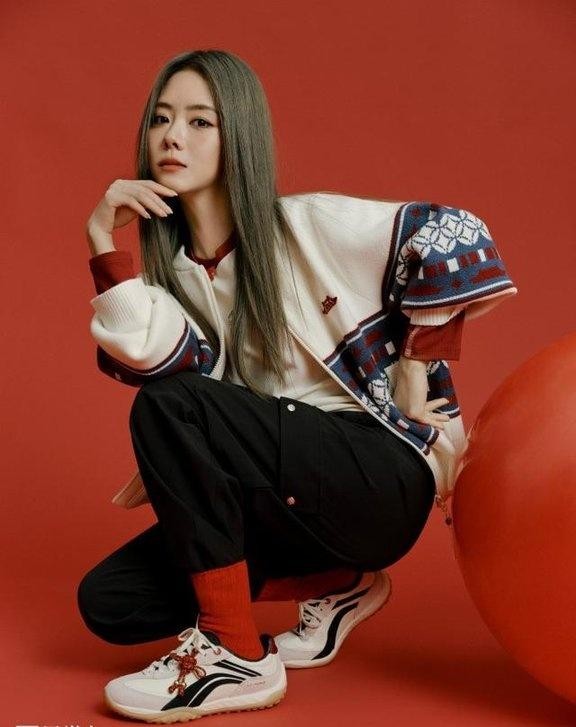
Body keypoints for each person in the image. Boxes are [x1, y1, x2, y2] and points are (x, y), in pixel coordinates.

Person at [76, 49, 517, 723]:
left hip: (381, 475)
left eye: (200, 121)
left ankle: (234, 651)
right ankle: (339, 583)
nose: (172, 137)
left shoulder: (307, 224)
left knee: (172, 406)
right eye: (161, 119)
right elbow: (153, 358)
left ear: (239, 135)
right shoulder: (179, 276)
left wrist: (415, 361)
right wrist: (102, 238)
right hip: (294, 498)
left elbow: (453, 233)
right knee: (111, 600)